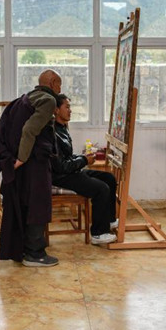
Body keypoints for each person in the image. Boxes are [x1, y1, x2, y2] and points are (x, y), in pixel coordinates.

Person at [0, 69, 61, 267]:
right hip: (34, 163)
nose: (60, 90)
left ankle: (25, 249)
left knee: (26, 205)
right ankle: (35, 254)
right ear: (52, 82)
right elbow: (29, 130)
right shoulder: (48, 100)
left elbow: (3, 128)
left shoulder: (24, 99)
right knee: (38, 205)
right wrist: (21, 158)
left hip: (25, 167)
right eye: (59, 85)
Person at [51, 94, 118, 245]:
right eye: (67, 107)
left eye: (70, 107)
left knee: (109, 178)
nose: (70, 110)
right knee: (101, 189)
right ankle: (98, 233)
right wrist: (84, 160)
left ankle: (109, 220)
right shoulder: (52, 132)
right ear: (56, 110)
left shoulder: (63, 128)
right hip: (61, 177)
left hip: (70, 172)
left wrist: (82, 157)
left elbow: (67, 157)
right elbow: (61, 166)